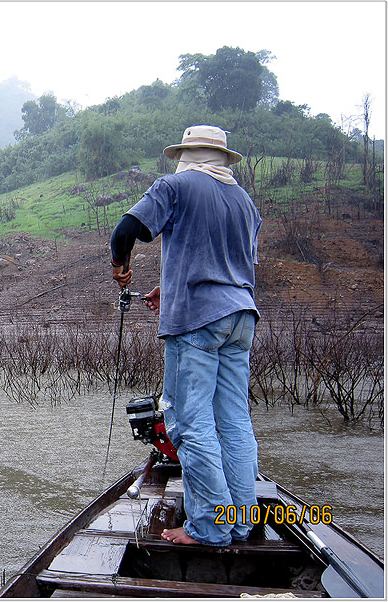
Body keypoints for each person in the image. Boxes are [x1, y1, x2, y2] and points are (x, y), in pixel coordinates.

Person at [110, 125, 261, 547]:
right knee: (233, 423)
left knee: (189, 424)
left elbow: (123, 231)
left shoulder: (174, 186)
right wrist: (169, 287)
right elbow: (227, 260)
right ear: (222, 158)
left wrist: (119, 267)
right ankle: (241, 521)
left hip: (196, 322)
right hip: (241, 318)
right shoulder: (245, 202)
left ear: (187, 155)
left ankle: (209, 528)